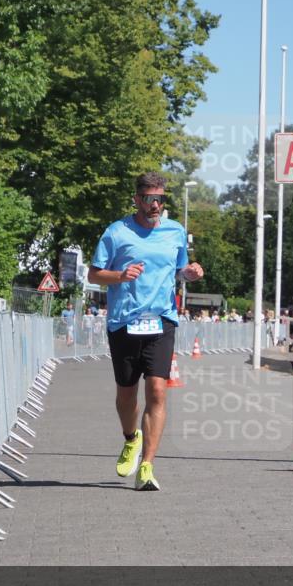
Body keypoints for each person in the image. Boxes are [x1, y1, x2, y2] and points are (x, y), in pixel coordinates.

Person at [87, 171, 203, 491]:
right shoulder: (117, 232)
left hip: (161, 319)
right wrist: (120, 276)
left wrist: (190, 273)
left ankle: (147, 466)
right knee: (126, 393)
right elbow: (94, 275)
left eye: (160, 199)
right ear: (137, 199)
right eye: (150, 199)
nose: (155, 205)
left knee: (157, 390)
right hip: (124, 321)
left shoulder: (175, 231)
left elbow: (179, 270)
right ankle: (130, 439)